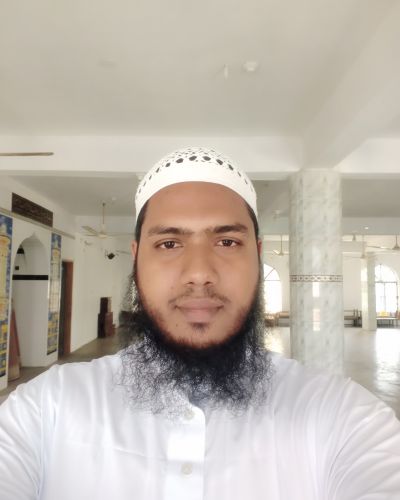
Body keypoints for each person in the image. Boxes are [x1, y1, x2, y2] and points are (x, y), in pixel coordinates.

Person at [0, 147, 400, 499]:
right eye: (169, 243)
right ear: (136, 258)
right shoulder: (45, 409)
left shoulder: (345, 418)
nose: (199, 273)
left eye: (227, 242)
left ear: (257, 255)